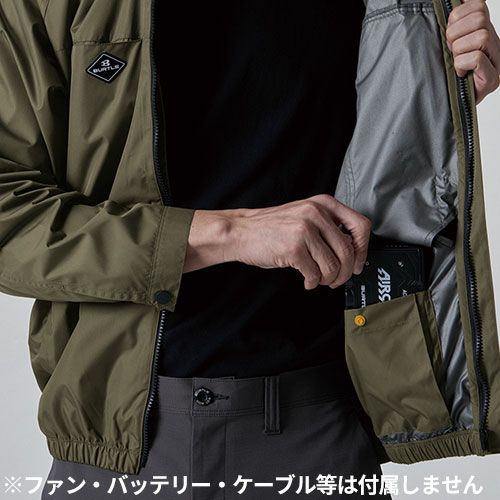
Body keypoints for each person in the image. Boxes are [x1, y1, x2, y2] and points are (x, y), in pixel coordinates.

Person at [0, 0, 497, 499]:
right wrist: (229, 233)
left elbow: (386, 155)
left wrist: (439, 93)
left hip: (319, 423)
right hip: (124, 440)